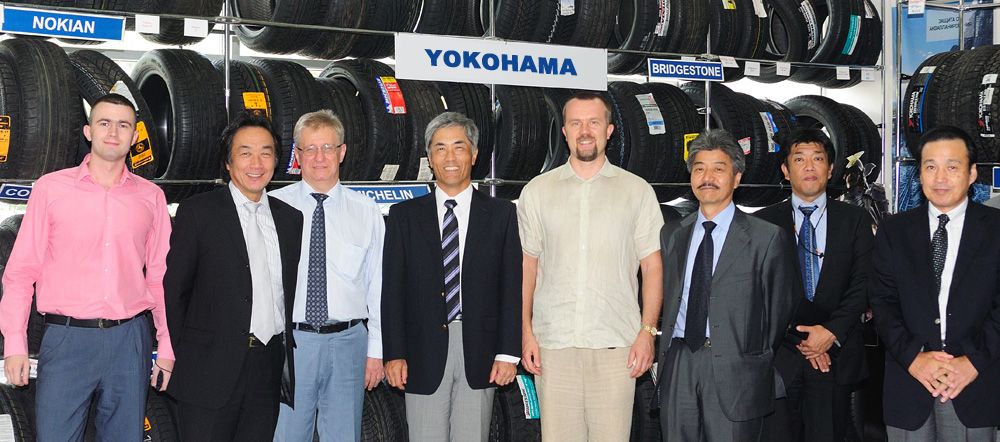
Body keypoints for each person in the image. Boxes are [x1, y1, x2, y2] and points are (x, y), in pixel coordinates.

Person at [0, 93, 173, 440]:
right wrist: (15, 342)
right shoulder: (51, 189)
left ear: (134, 136)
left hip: (130, 340)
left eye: (123, 125)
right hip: (67, 339)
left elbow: (159, 277)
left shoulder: (151, 197)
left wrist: (165, 345)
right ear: (88, 131)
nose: (114, 132)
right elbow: (21, 272)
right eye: (104, 123)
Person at [518, 91, 664, 441]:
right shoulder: (537, 192)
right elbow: (527, 268)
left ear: (609, 130)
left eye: (594, 122)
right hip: (554, 348)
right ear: (565, 132)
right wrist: (526, 332)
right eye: (576, 123)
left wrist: (647, 333)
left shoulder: (637, 192)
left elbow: (653, 268)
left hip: (617, 348)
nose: (585, 131)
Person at [382, 112, 521, 442]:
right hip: (421, 352)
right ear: (429, 158)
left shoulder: (501, 214)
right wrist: (394, 353)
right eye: (440, 148)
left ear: (474, 154)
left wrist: (507, 353)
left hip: (481, 351)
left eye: (459, 147)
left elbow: (511, 287)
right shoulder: (403, 216)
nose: (450, 157)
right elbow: (392, 291)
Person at [164, 113, 302, 441]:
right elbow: (174, 291)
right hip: (208, 369)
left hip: (267, 366)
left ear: (276, 161)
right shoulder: (198, 213)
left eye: (266, 153)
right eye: (245, 153)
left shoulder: (290, 219)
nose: (256, 163)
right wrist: (190, 353)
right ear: (228, 162)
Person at [655, 129, 798, 441]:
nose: (707, 177)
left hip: (738, 369)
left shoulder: (765, 238)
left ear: (736, 178)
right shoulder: (672, 234)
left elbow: (778, 313)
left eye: (718, 169)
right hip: (679, 361)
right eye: (699, 169)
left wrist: (746, 353)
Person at [870, 125, 1000, 441]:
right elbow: (882, 302)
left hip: (972, 382)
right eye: (930, 167)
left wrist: (973, 361)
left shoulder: (995, 229)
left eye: (952, 167)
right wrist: (913, 358)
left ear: (972, 173)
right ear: (920, 174)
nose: (940, 178)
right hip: (909, 381)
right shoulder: (894, 231)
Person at [270, 110, 385, 441]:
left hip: (348, 344)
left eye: (327, 148)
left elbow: (378, 286)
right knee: (287, 435)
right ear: (297, 155)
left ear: (342, 152)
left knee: (344, 436)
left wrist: (376, 351)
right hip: (291, 345)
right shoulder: (273, 208)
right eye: (309, 149)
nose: (319, 157)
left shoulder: (366, 212)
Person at [756, 129, 873, 442]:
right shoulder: (763, 223)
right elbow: (760, 292)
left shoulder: (855, 219)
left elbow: (864, 282)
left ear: (830, 169)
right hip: (781, 357)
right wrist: (804, 340)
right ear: (785, 170)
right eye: (799, 159)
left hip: (837, 355)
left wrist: (830, 332)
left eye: (818, 159)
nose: (809, 167)